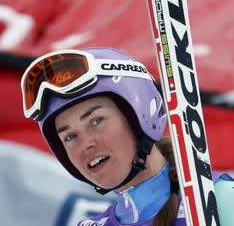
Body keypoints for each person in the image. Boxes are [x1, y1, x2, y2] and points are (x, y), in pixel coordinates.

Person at [20, 47, 234, 225]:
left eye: (96, 121)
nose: (84, 145)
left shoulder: (222, 198)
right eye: (70, 137)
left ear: (140, 115)